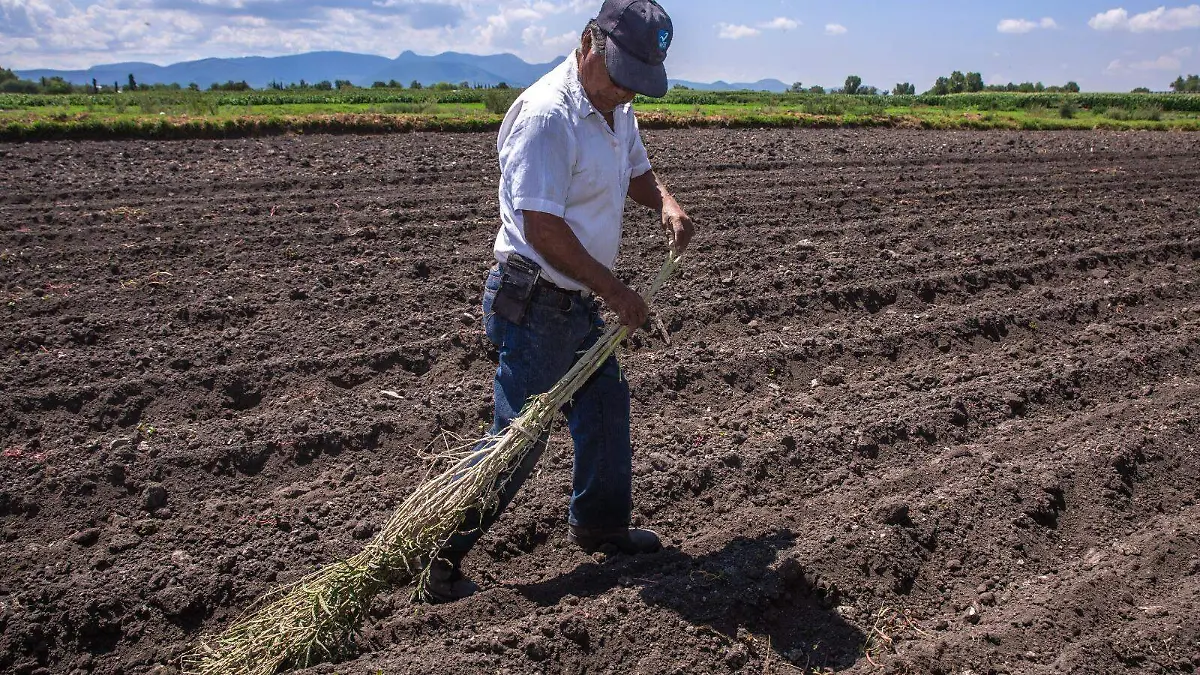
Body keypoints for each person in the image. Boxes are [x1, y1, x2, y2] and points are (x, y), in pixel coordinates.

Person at [422, 0, 693, 602]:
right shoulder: (549, 115)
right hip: (536, 298)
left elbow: (635, 171)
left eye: (637, 82)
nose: (627, 92)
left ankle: (601, 527)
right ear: (588, 43)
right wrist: (616, 290)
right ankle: (436, 556)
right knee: (518, 438)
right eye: (621, 75)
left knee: (604, 409)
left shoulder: (614, 107)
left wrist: (667, 202)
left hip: (577, 297)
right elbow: (542, 227)